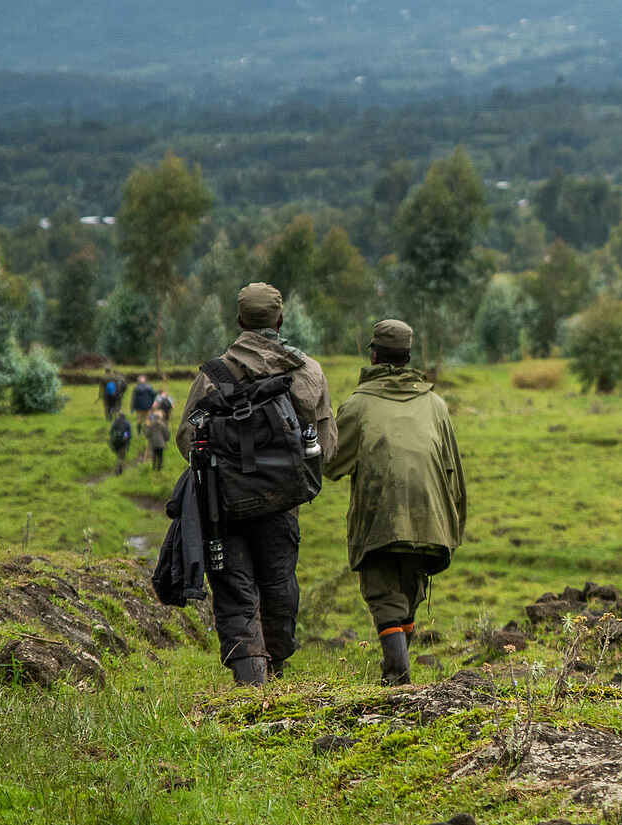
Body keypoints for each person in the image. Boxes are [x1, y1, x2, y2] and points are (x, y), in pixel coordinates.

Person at [178, 282, 336, 686]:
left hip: (224, 505)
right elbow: (327, 447)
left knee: (234, 589)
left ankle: (250, 684)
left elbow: (186, 440)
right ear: (280, 320)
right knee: (279, 584)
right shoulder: (308, 373)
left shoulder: (213, 375)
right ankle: (278, 671)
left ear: (239, 321)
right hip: (282, 504)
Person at [327, 318, 467, 686]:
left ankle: (398, 679)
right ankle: (400, 677)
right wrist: (453, 527)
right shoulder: (435, 404)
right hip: (430, 521)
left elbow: (331, 464)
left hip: (381, 521)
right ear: (408, 356)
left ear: (373, 355)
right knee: (408, 591)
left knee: (384, 595)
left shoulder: (358, 406)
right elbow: (455, 469)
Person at [145, 404, 169, 471]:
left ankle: (153, 467)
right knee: (160, 456)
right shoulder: (162, 425)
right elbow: (166, 433)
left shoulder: (151, 425)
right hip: (161, 443)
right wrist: (166, 440)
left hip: (153, 443)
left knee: (154, 455)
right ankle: (159, 468)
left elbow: (147, 434)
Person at [108, 410, 133, 475]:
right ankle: (119, 470)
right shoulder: (127, 423)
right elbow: (129, 434)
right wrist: (127, 439)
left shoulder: (115, 422)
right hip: (123, 442)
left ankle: (118, 469)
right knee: (121, 457)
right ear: (124, 417)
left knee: (118, 456)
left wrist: (112, 440)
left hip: (115, 442)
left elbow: (111, 432)